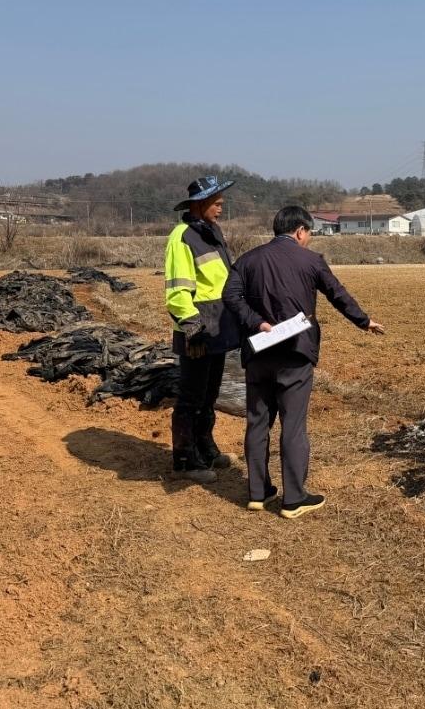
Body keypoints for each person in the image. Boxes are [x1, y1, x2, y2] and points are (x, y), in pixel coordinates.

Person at [223, 205, 384, 518]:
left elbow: (230, 297)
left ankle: (258, 492)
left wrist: (257, 322)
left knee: (258, 421)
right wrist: (364, 322)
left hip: (258, 352)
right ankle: (294, 499)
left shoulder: (247, 260)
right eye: (309, 233)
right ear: (300, 231)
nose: (308, 239)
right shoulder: (311, 260)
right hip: (295, 353)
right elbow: (338, 294)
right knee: (293, 425)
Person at [164, 175, 241, 482]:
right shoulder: (182, 237)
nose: (221, 208)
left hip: (217, 329)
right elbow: (177, 291)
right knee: (191, 396)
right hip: (197, 331)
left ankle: (204, 446)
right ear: (199, 204)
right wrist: (191, 327)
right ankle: (185, 458)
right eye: (217, 203)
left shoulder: (211, 232)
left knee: (209, 394)